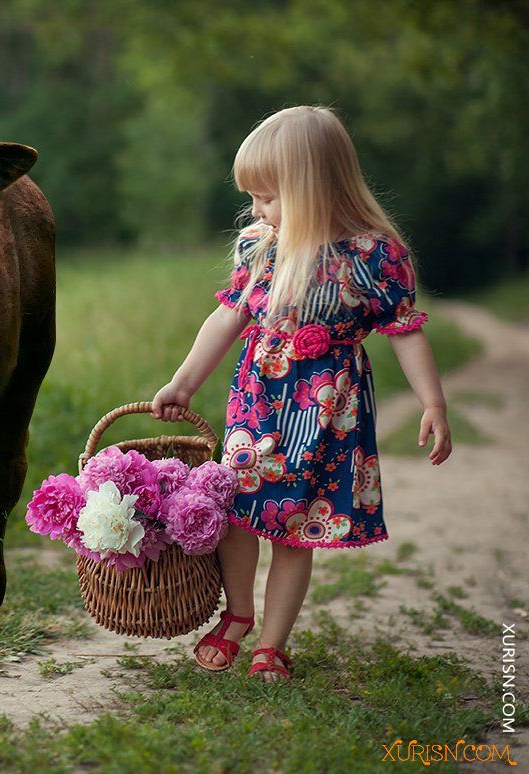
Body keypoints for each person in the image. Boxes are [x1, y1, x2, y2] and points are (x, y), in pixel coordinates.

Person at [151, 105, 453, 682]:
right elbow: (227, 319)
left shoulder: (372, 255)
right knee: (237, 511)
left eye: (269, 196)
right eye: (255, 197)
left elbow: (405, 330)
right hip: (259, 399)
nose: (258, 209)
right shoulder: (260, 244)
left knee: (297, 526)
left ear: (312, 187)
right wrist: (184, 381)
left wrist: (433, 403)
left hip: (329, 410)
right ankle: (238, 612)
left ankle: (272, 642)